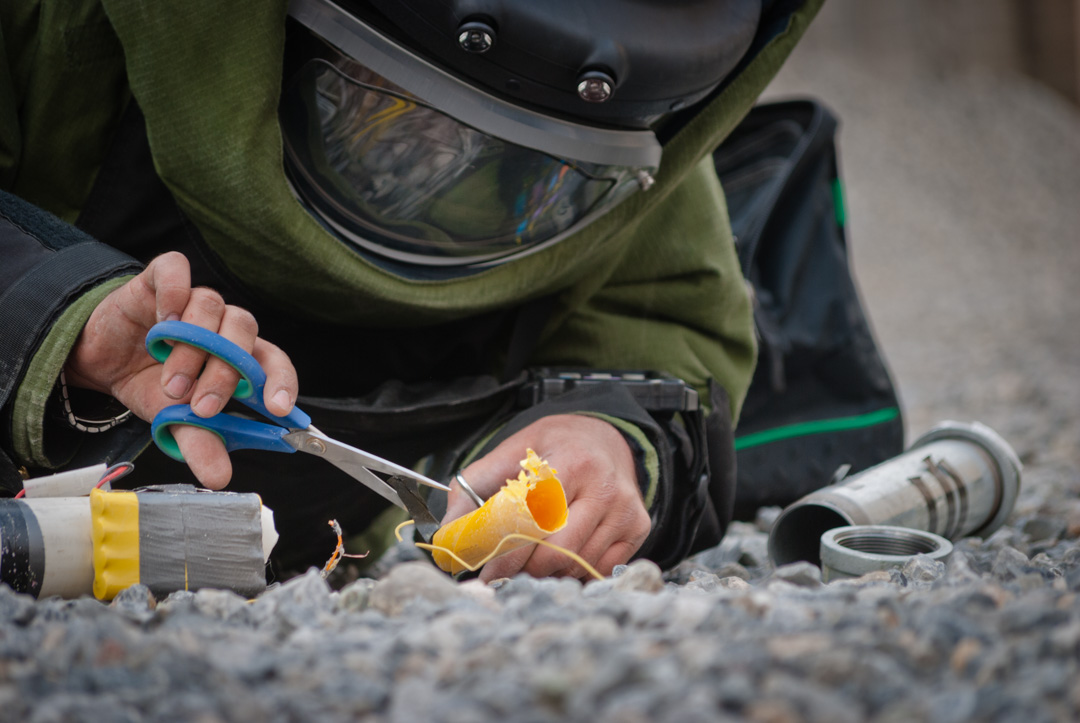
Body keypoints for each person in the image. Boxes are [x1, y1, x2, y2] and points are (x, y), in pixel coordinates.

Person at [0, 0, 823, 579]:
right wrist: (59, 316)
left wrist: (611, 440)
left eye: (522, 179)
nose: (425, 187)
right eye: (367, 113)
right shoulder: (47, 28)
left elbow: (670, 329)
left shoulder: (652, 112)